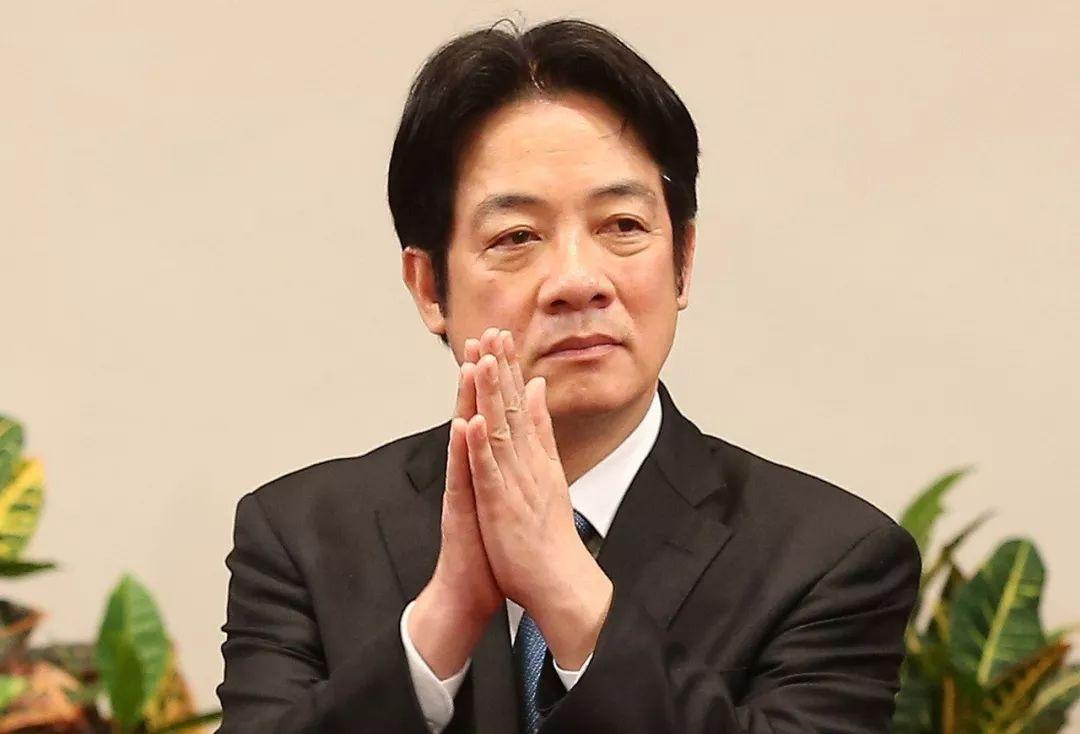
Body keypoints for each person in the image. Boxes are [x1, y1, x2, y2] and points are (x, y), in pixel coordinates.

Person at [215, 17, 921, 734]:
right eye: (517, 236)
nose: (579, 281)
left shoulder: (829, 559)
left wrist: (570, 595)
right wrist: (442, 625)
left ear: (683, 260)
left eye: (623, 226)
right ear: (429, 288)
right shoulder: (303, 537)